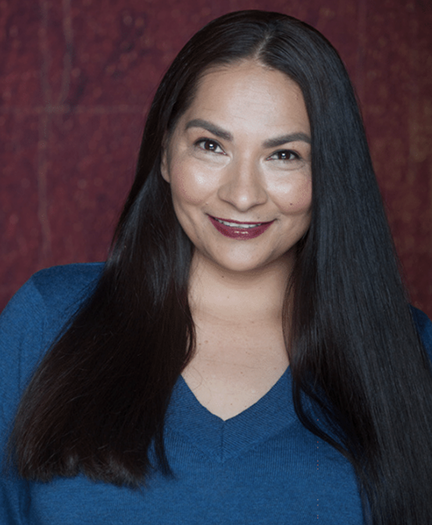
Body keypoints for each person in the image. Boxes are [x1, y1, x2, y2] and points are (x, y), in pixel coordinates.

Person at [1, 10, 432, 525]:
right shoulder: (49, 320)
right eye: (211, 146)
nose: (242, 195)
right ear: (165, 154)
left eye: (285, 155)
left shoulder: (411, 352)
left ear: (330, 172)